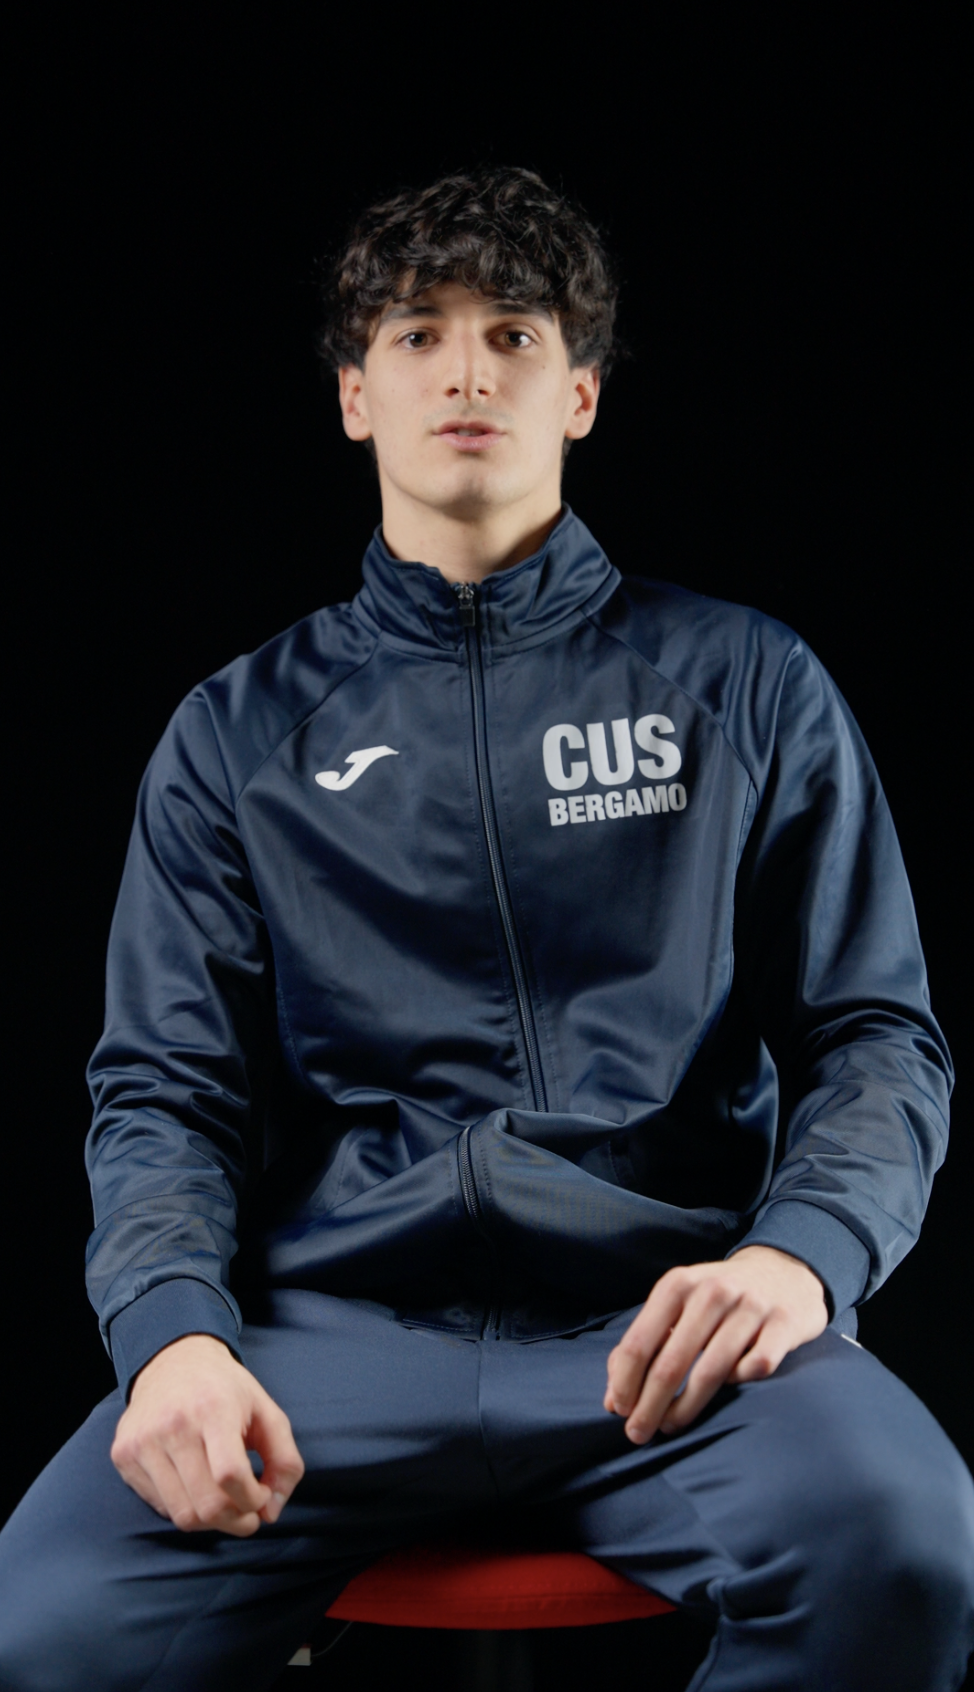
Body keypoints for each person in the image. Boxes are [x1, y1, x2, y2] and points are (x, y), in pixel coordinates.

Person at [1, 166, 972, 1692]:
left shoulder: (745, 682)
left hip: (664, 1329)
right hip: (331, 1341)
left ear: (577, 395)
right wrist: (172, 1335)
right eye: (417, 334)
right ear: (354, 397)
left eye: (513, 334)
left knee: (902, 1544)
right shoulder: (234, 734)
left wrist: (798, 1260)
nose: (465, 371)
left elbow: (876, 1039)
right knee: (39, 1627)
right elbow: (163, 1094)